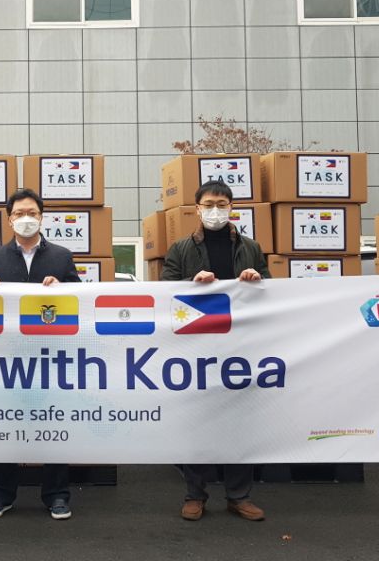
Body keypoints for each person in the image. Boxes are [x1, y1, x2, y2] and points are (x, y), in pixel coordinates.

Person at [160, 180, 269, 522]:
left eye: (222, 204)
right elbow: (165, 291)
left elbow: (271, 292)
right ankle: (195, 495)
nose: (215, 210)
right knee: (196, 423)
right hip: (198, 347)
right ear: (197, 209)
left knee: (239, 424)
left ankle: (239, 496)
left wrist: (256, 279)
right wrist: (191, 283)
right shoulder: (181, 249)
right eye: (209, 204)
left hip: (239, 347)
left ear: (232, 207)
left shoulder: (251, 247)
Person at [0, 188, 81, 521]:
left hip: (51, 356)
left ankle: (57, 495)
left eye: (32, 213)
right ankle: (0, 493)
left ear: (42, 217)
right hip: (6, 357)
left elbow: (81, 302)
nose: (26, 219)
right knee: (2, 424)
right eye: (19, 214)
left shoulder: (62, 256)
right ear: (9, 219)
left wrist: (65, 290)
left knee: (54, 423)